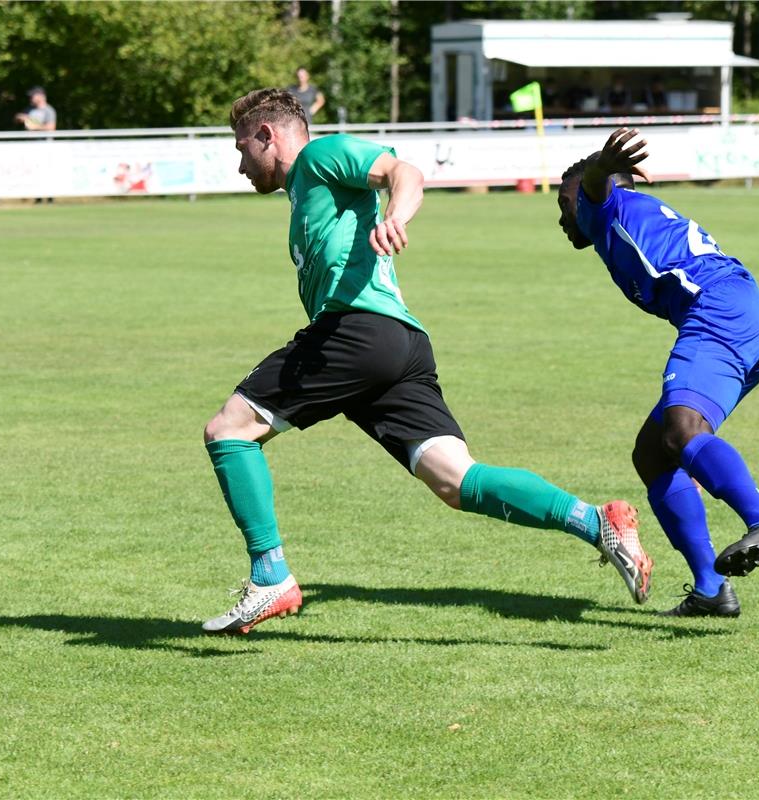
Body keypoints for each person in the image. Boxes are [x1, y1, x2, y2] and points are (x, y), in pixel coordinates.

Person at [201, 89, 653, 635]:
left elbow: (405, 172)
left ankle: (270, 574)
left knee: (229, 431)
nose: (240, 162)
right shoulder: (303, 192)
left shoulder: (321, 157)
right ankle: (597, 522)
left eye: (242, 145)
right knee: (456, 481)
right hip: (399, 345)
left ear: (268, 135)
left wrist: (396, 215)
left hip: (355, 332)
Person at [555, 127, 759, 618]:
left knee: (682, 430)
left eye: (565, 202)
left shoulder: (608, 207)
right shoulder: (627, 214)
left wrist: (600, 166)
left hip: (719, 311)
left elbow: (596, 185)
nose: (564, 215)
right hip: (750, 317)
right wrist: (602, 172)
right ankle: (711, 589)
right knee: (653, 453)